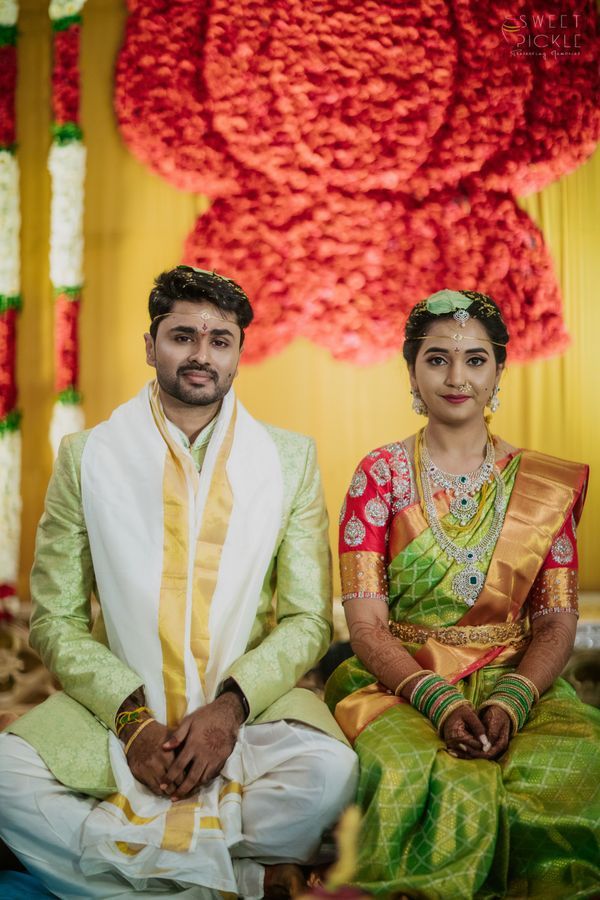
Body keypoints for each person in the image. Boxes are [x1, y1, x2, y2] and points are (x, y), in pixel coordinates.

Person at [0, 265, 358, 899]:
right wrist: (132, 719)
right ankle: (244, 880)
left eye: (219, 340)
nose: (201, 355)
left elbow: (307, 618)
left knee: (331, 768)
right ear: (150, 345)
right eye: (182, 336)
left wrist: (229, 707)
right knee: (5, 772)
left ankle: (129, 880)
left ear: (239, 354)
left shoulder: (288, 459)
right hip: (115, 713)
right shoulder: (88, 455)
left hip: (249, 712)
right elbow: (54, 618)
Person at [326, 289, 600, 898]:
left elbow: (556, 622)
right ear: (411, 370)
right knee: (403, 770)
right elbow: (366, 626)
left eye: (476, 360)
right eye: (437, 359)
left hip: (516, 677)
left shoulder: (541, 484)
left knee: (579, 763)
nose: (457, 378)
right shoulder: (380, 476)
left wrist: (513, 701)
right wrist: (442, 703)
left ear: (500, 369)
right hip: (402, 682)